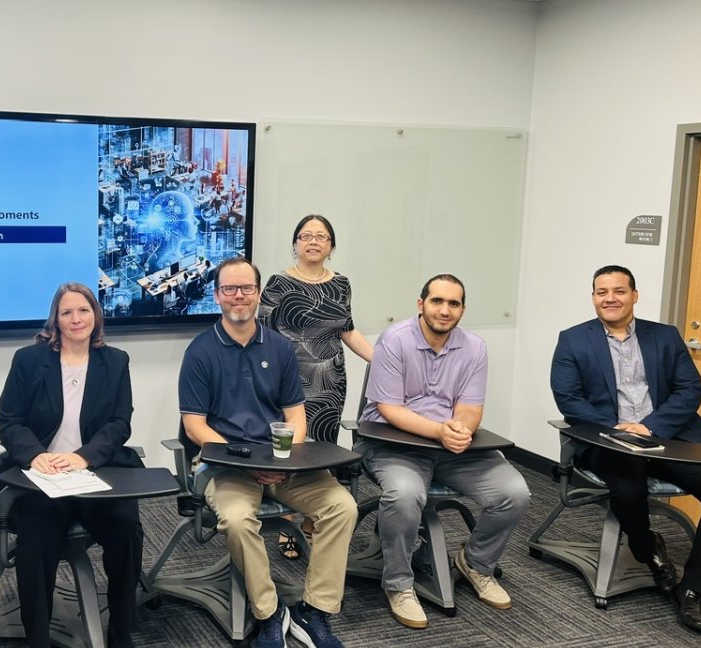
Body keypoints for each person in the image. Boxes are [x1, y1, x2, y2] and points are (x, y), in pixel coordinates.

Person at [550, 265, 701, 634]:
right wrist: (618, 432)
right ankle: (648, 550)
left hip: (666, 437)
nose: (610, 298)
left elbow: (690, 389)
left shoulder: (665, 337)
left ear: (634, 295)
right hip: (607, 440)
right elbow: (569, 400)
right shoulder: (573, 340)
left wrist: (650, 427)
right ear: (593, 297)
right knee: (627, 487)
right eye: (601, 291)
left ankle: (694, 588)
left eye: (619, 291)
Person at [178, 257, 357, 648]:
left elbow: (295, 415)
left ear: (259, 294)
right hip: (226, 465)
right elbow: (195, 427)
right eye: (229, 289)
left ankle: (316, 610)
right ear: (217, 295)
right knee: (239, 520)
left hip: (281, 465)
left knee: (341, 506)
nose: (238, 296)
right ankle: (270, 613)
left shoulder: (278, 347)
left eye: (246, 288)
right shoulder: (200, 352)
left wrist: (286, 459)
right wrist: (249, 463)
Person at [360, 274, 529, 629]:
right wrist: (440, 430)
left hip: (451, 447)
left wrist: (461, 428)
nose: (445, 310)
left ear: (462, 310)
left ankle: (476, 563)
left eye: (454, 304)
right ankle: (399, 584)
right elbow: (390, 409)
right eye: (437, 301)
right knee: (405, 494)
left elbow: (470, 407)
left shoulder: (475, 347)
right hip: (393, 444)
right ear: (420, 304)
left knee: (514, 492)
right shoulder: (395, 340)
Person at [0, 282, 143, 648]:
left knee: (127, 529)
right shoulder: (29, 361)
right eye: (67, 312)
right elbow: (9, 421)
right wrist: (36, 455)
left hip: (96, 474)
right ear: (56, 320)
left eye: (83, 310)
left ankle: (121, 631)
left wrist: (84, 456)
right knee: (36, 542)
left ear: (96, 315)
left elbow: (120, 423)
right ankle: (38, 639)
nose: (76, 319)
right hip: (44, 478)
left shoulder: (116, 361)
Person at [258, 214, 373, 560]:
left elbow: (348, 330)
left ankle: (312, 518)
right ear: (295, 243)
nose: (313, 241)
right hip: (288, 380)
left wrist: (383, 360)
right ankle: (289, 520)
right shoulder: (279, 283)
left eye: (321, 237)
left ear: (331, 246)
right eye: (306, 235)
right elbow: (261, 333)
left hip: (330, 382)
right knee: (290, 450)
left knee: (321, 449)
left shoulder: (341, 284)